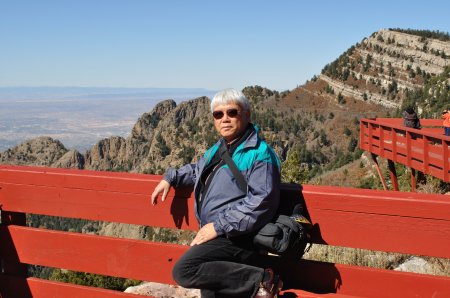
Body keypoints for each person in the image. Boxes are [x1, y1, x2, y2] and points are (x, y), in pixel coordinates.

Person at [151, 88, 282, 298]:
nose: (225, 119)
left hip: (239, 237)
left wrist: (219, 226)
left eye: (232, 112)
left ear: (246, 114)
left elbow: (262, 200)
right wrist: (172, 177)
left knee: (184, 270)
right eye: (218, 114)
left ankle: (261, 280)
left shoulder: (259, 153)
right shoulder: (219, 148)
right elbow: (198, 171)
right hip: (217, 235)